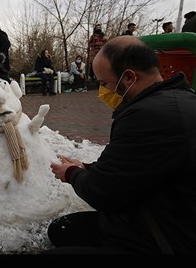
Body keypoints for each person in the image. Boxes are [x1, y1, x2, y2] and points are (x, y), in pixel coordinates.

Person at [46, 35, 196, 254]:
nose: (103, 92)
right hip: (162, 216)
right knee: (61, 229)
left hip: (167, 240)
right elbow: (138, 165)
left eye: (104, 83)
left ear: (128, 78)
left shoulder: (147, 116)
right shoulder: (178, 99)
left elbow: (103, 194)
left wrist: (71, 174)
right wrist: (88, 168)